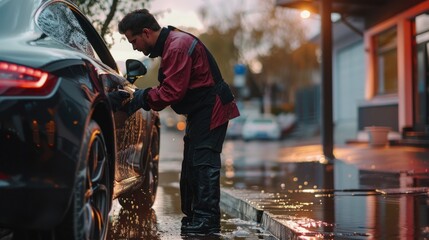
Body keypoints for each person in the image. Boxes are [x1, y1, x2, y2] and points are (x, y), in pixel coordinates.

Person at [118, 9, 240, 236]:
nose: (135, 47)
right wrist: (141, 96)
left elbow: (171, 92)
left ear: (146, 33)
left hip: (211, 108)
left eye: (134, 41)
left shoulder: (177, 47)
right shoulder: (173, 44)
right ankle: (196, 217)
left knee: (203, 163)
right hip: (201, 111)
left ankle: (207, 221)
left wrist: (140, 97)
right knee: (192, 163)